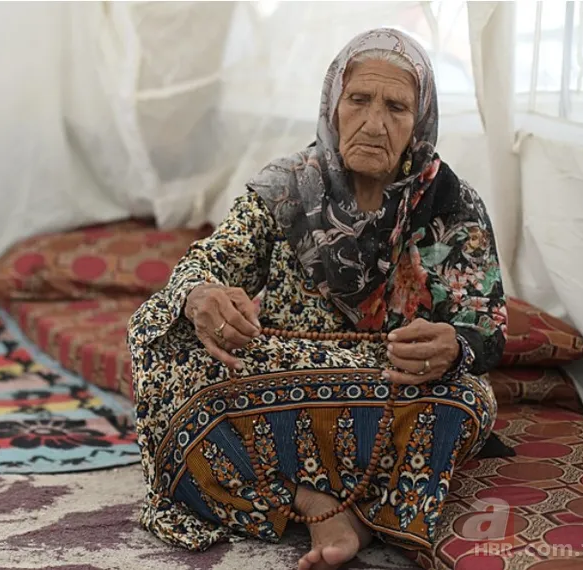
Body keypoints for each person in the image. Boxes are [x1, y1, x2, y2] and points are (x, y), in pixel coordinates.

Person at [128, 28, 506, 570]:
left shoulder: (450, 203)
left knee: (469, 399)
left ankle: (312, 497)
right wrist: (202, 295)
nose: (374, 123)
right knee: (166, 341)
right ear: (333, 107)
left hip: (390, 382)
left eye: (396, 107)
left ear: (419, 120)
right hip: (280, 376)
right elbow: (205, 265)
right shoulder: (285, 189)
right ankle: (314, 501)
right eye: (359, 101)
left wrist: (454, 346)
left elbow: (485, 327)